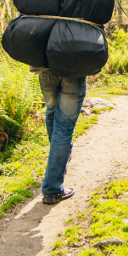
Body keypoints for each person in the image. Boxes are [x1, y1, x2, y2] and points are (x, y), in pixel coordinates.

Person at [35, 71, 85, 204]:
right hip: (71, 69)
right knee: (63, 127)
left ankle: (58, 162)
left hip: (45, 67)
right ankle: (53, 189)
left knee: (52, 110)